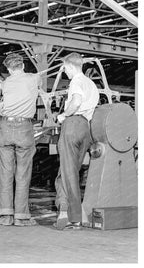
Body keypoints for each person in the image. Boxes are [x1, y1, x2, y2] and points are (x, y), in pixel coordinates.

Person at [0, 53, 41, 227]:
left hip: (5, 127)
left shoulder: (5, 83)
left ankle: (5, 216)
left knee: (5, 173)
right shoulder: (33, 78)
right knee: (22, 174)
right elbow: (40, 84)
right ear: (23, 65)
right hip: (24, 128)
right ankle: (21, 217)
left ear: (8, 69)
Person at [54, 52, 99, 230]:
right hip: (86, 129)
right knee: (69, 171)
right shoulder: (91, 84)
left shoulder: (76, 81)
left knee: (67, 173)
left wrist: (63, 115)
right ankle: (72, 212)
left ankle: (72, 216)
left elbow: (76, 101)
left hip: (72, 124)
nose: (65, 72)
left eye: (65, 68)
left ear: (71, 66)